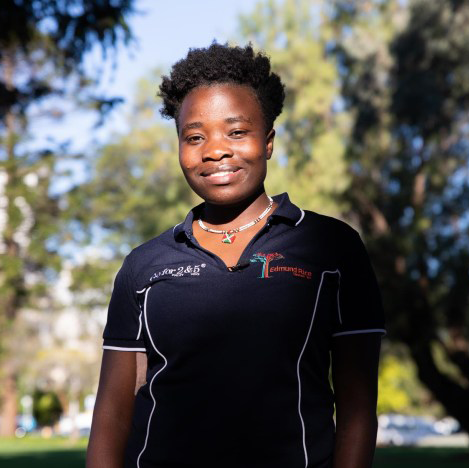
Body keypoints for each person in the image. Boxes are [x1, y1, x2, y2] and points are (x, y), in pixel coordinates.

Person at [87, 43, 385, 468]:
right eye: (194, 137)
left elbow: (358, 411)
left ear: (267, 141)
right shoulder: (144, 265)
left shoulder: (332, 247)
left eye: (236, 132)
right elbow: (111, 414)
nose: (215, 150)